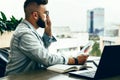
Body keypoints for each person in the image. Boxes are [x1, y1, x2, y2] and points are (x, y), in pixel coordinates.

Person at [5, 0, 88, 75]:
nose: (48, 17)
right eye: (46, 13)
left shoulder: (30, 31)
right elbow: (45, 58)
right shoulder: (24, 33)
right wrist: (75, 60)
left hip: (30, 76)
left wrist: (48, 32)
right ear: (35, 15)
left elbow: (40, 51)